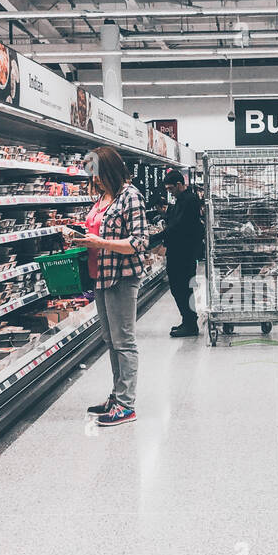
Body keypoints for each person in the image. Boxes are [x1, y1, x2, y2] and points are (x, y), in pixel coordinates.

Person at [72, 147, 149, 426]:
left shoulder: (131, 196)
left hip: (122, 276)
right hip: (100, 276)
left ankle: (127, 405)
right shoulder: (104, 197)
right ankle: (117, 396)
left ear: (109, 170)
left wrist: (98, 243)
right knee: (110, 340)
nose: (94, 181)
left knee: (124, 341)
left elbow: (140, 242)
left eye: (98, 175)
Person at [155, 168, 204, 337]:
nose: (170, 192)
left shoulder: (189, 200)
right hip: (181, 252)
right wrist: (167, 212)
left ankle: (190, 325)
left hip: (184, 253)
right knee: (180, 289)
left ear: (178, 184)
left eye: (170, 189)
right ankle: (188, 321)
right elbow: (177, 219)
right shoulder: (184, 199)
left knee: (181, 288)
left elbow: (179, 226)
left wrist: (157, 236)